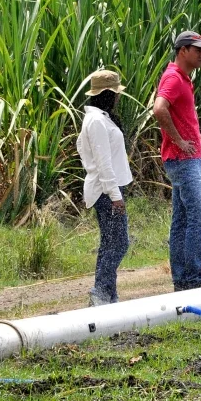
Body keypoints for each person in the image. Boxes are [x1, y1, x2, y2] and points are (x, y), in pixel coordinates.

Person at [153, 30, 201, 291]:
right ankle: (193, 278)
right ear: (182, 50)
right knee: (199, 218)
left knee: (181, 221)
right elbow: (159, 108)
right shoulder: (174, 78)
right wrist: (178, 140)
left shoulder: (182, 78)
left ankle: (182, 278)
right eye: (197, 49)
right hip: (182, 159)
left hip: (183, 159)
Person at [76, 70, 134, 306]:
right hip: (106, 191)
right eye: (116, 93)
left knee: (110, 242)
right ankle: (100, 291)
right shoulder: (97, 122)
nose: (119, 98)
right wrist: (115, 195)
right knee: (119, 243)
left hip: (106, 190)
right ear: (108, 94)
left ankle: (108, 295)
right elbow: (103, 163)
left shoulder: (98, 118)